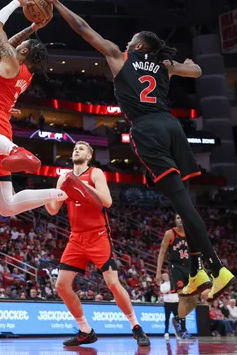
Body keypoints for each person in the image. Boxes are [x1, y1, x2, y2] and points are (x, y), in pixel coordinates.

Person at [36, 0, 235, 302]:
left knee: (181, 202)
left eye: (132, 41)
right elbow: (197, 71)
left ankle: (215, 267)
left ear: (139, 47)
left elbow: (84, 28)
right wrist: (180, 63)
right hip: (172, 126)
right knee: (184, 202)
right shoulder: (164, 65)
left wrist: (56, 1)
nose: (127, 42)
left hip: (146, 129)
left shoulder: (119, 56)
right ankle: (198, 269)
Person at [0, 0, 99, 222]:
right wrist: (32, 27)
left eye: (20, 47)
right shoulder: (22, 71)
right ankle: (62, 191)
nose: (15, 45)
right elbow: (11, 43)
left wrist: (16, 2)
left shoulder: (11, 62)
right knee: (6, 206)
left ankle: (18, 152)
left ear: (24, 51)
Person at [45, 141, 150, 347]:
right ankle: (85, 330)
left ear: (89, 156)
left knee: (112, 283)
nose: (77, 150)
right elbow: (53, 210)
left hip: (98, 235)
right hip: (76, 238)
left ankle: (135, 326)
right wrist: (44, 195)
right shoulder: (63, 178)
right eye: (75, 148)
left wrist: (78, 184)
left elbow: (107, 201)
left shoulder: (95, 173)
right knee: (61, 285)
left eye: (82, 148)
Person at [155, 214, 198, 340]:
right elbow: (162, 252)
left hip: (189, 268)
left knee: (195, 300)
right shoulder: (170, 233)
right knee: (183, 297)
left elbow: (196, 254)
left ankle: (177, 319)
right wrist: (158, 272)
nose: (180, 220)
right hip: (176, 268)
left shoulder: (191, 234)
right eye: (178, 218)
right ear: (175, 220)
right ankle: (183, 330)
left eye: (182, 217)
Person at [159, 273, 178, 340]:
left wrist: (170, 291)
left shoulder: (174, 283)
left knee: (177, 318)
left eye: (166, 275)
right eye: (163, 276)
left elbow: (176, 290)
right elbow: (163, 291)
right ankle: (166, 332)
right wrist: (170, 291)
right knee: (167, 317)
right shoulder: (162, 284)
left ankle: (179, 331)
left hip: (175, 302)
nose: (165, 277)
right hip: (167, 302)